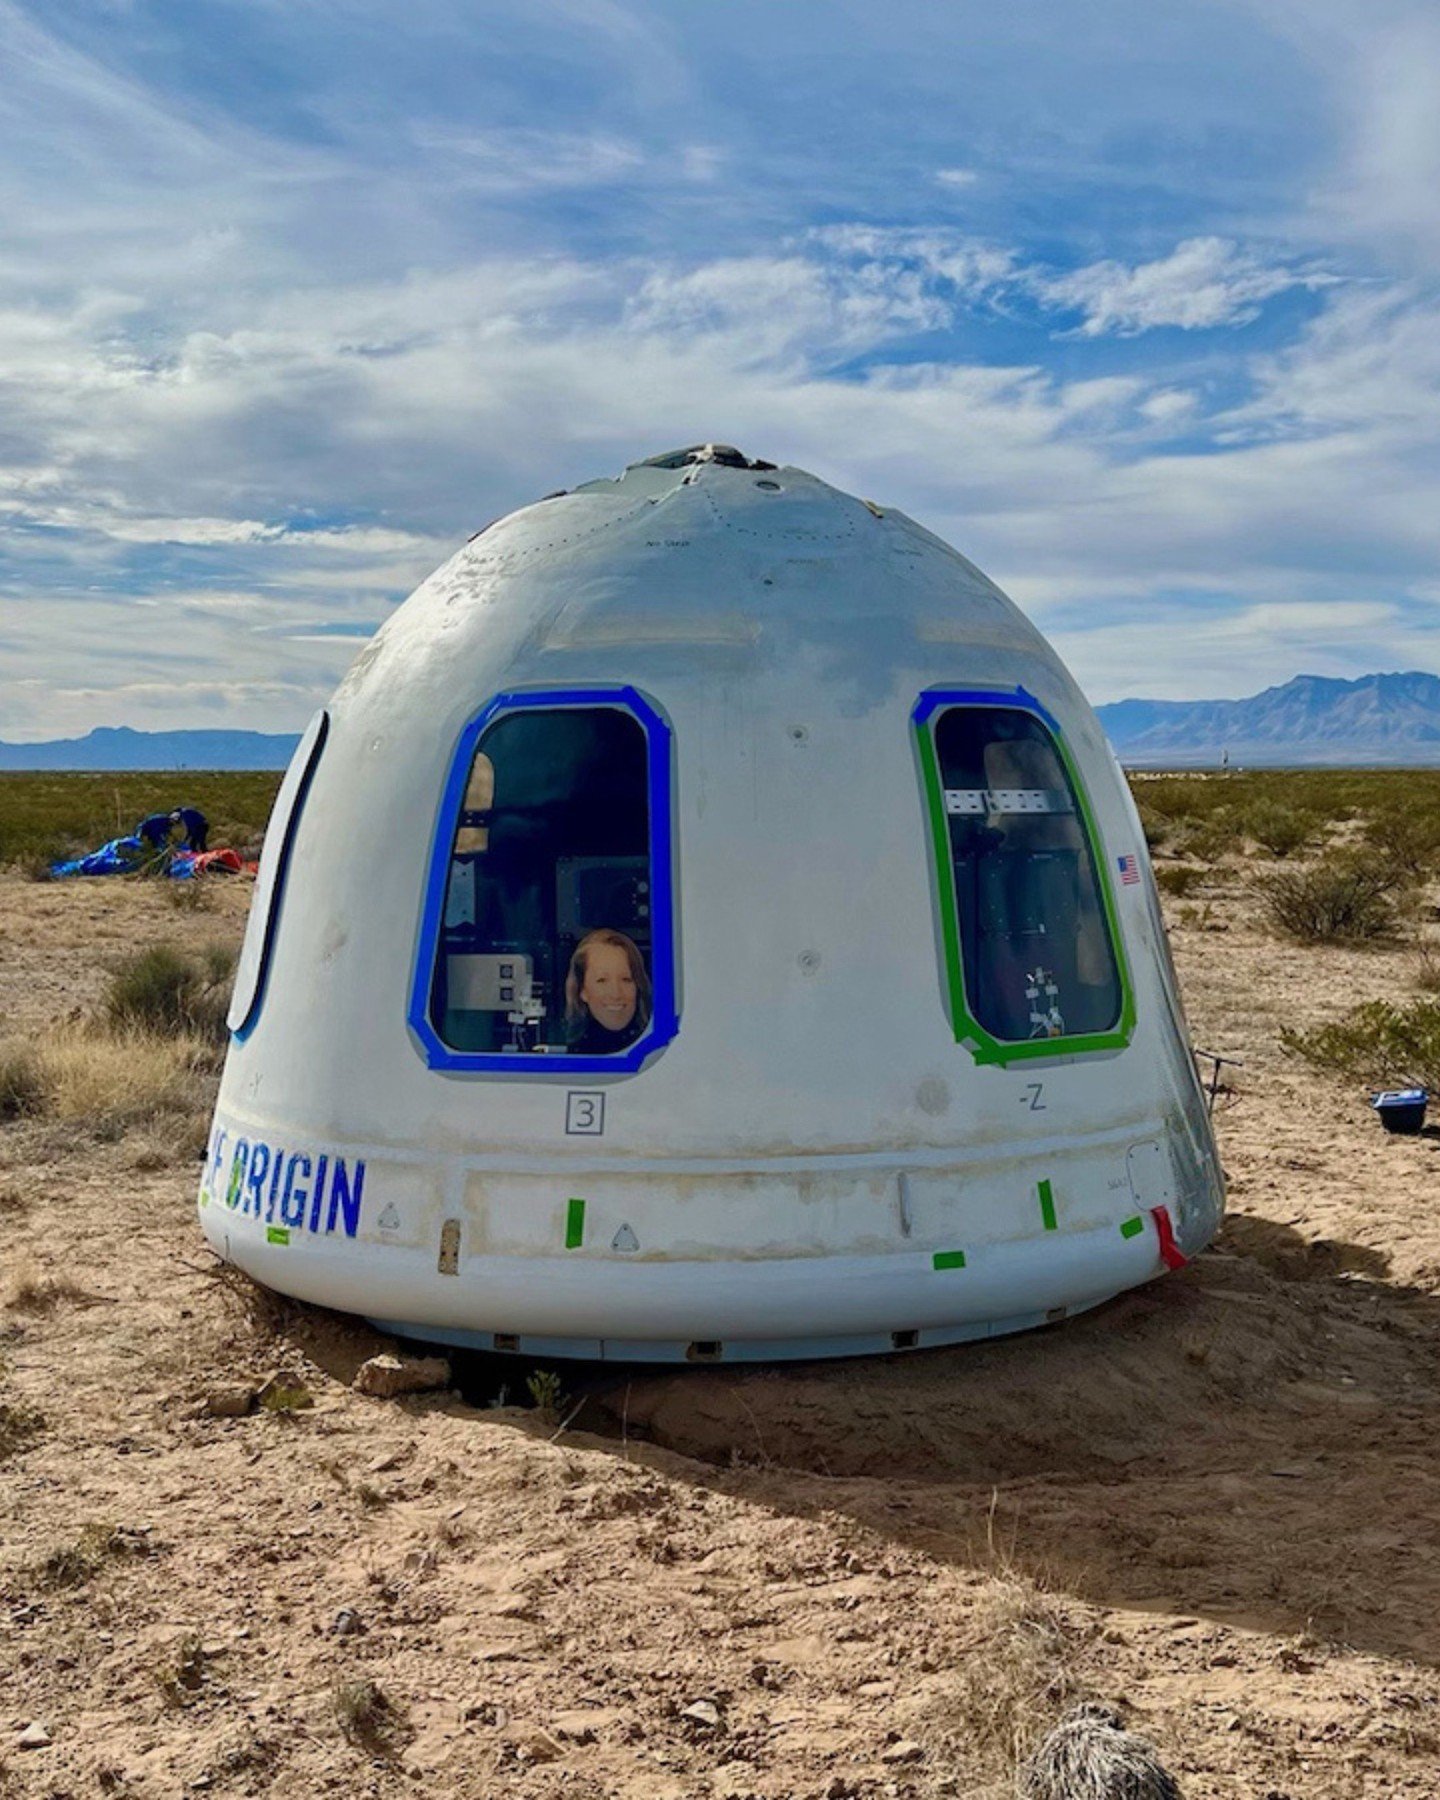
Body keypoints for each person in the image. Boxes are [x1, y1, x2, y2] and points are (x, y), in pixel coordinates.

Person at [565, 929, 651, 1053]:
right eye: (602, 980)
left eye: (626, 979)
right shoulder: (574, 1059)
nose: (616, 994)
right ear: (582, 990)